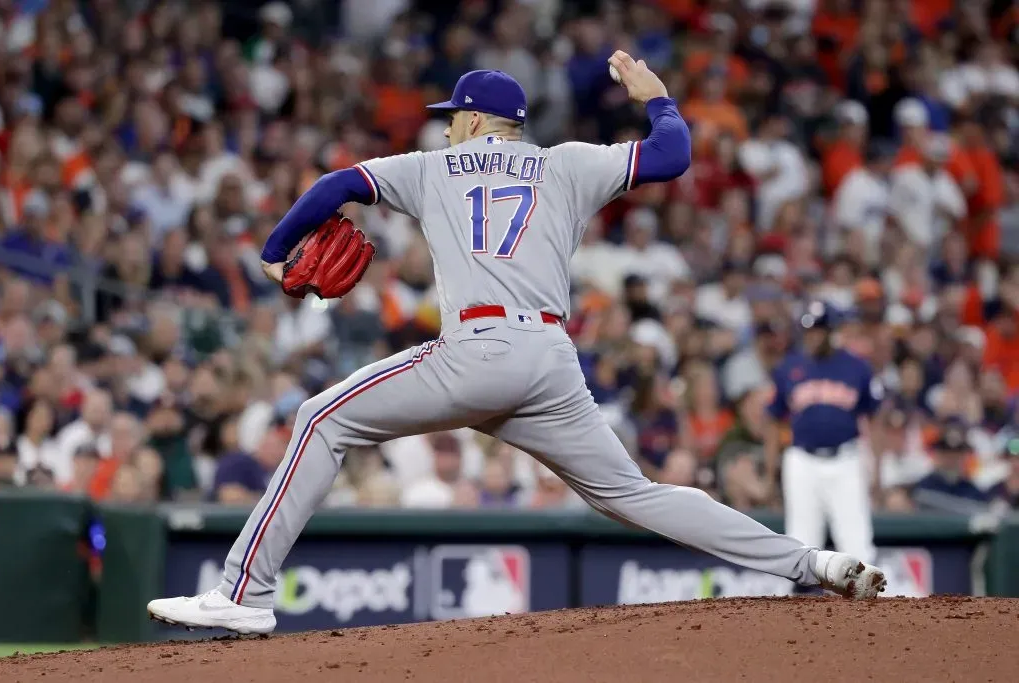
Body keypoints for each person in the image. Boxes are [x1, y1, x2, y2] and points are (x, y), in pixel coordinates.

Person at [148, 58, 886, 635]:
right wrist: (655, 96)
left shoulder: (432, 168)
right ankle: (810, 560)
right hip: (548, 361)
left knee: (320, 417)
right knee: (635, 495)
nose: (444, 128)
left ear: (475, 120)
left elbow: (336, 184)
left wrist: (278, 251)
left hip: (477, 348)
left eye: (452, 116)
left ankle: (242, 593)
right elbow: (672, 155)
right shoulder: (567, 162)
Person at [766, 301, 883, 565]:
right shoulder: (789, 367)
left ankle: (866, 606)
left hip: (847, 460)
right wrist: (771, 470)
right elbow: (773, 420)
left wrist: (877, 466)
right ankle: (801, 605)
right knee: (800, 544)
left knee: (857, 545)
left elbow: (875, 419)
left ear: (832, 332)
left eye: (818, 330)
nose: (813, 336)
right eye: (809, 331)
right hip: (802, 461)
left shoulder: (857, 367)